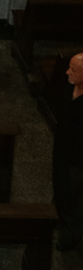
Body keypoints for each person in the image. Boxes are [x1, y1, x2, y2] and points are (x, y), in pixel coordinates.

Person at [52, 52, 83, 251]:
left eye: (73, 69)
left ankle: (72, 234)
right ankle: (60, 216)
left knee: (77, 198)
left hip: (79, 159)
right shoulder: (68, 88)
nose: (67, 72)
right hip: (62, 150)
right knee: (61, 186)